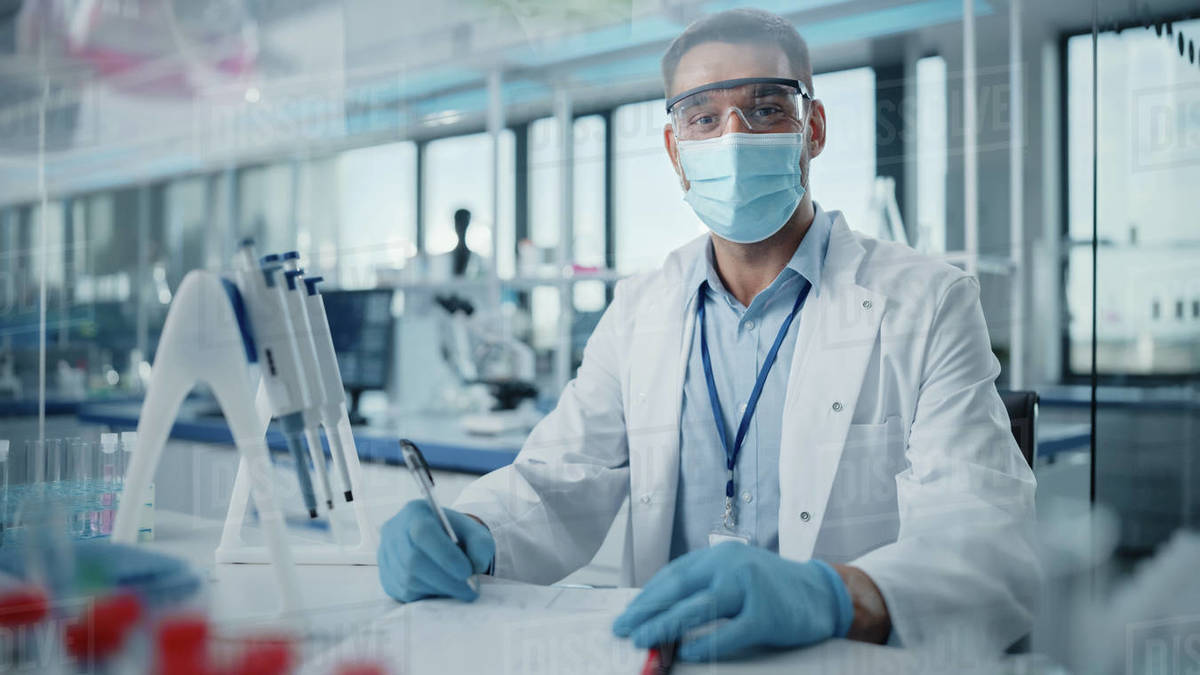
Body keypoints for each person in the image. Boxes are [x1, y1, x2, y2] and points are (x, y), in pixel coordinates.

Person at [377, 8, 1039, 662]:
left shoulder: (927, 302)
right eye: (703, 117)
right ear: (675, 149)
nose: (733, 136)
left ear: (814, 128)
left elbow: (986, 542)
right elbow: (562, 476)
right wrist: (472, 528)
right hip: (670, 654)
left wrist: (835, 593)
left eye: (766, 108)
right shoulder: (641, 307)